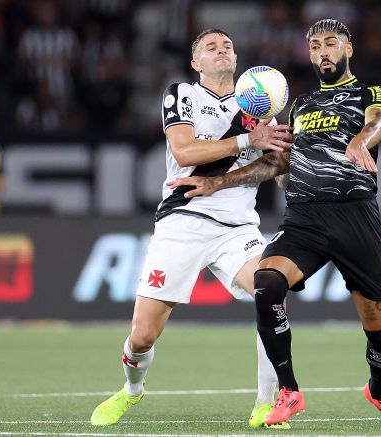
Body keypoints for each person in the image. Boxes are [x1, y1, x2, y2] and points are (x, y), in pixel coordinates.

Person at [168, 19, 381, 429]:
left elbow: (378, 122)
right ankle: (288, 391)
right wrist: (217, 181)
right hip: (304, 218)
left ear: (348, 49)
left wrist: (360, 140)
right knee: (266, 283)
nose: (322, 51)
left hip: (355, 216)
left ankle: (380, 390)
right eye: (315, 45)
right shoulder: (302, 106)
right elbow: (278, 163)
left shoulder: (371, 94)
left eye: (331, 43)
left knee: (380, 327)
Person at [89, 28, 294, 429]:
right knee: (143, 335)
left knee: (272, 291)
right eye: (211, 48)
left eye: (228, 46)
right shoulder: (182, 94)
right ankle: (132, 390)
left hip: (237, 227)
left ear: (236, 59)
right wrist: (246, 140)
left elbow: (274, 166)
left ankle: (266, 405)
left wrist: (282, 165)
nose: (222, 51)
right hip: (183, 221)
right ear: (196, 63)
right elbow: (184, 150)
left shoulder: (261, 109)